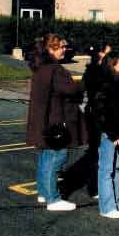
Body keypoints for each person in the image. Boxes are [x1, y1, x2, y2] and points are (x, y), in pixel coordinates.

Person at [26, 34, 87, 211]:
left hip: (46, 119)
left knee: (47, 157)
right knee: (56, 157)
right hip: (56, 120)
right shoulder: (54, 69)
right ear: (50, 49)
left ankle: (44, 192)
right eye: (60, 47)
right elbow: (71, 90)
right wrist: (84, 83)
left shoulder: (41, 67)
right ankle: (53, 198)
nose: (64, 50)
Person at [93, 51, 119, 218]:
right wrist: (113, 134)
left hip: (118, 133)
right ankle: (107, 207)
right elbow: (101, 114)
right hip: (108, 134)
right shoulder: (106, 85)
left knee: (116, 168)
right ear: (111, 66)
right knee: (106, 169)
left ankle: (116, 201)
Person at [80, 42, 112, 198]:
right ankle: (94, 187)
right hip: (97, 114)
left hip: (94, 112)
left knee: (96, 152)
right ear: (100, 55)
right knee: (97, 152)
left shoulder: (91, 71)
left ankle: (95, 185)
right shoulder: (98, 73)